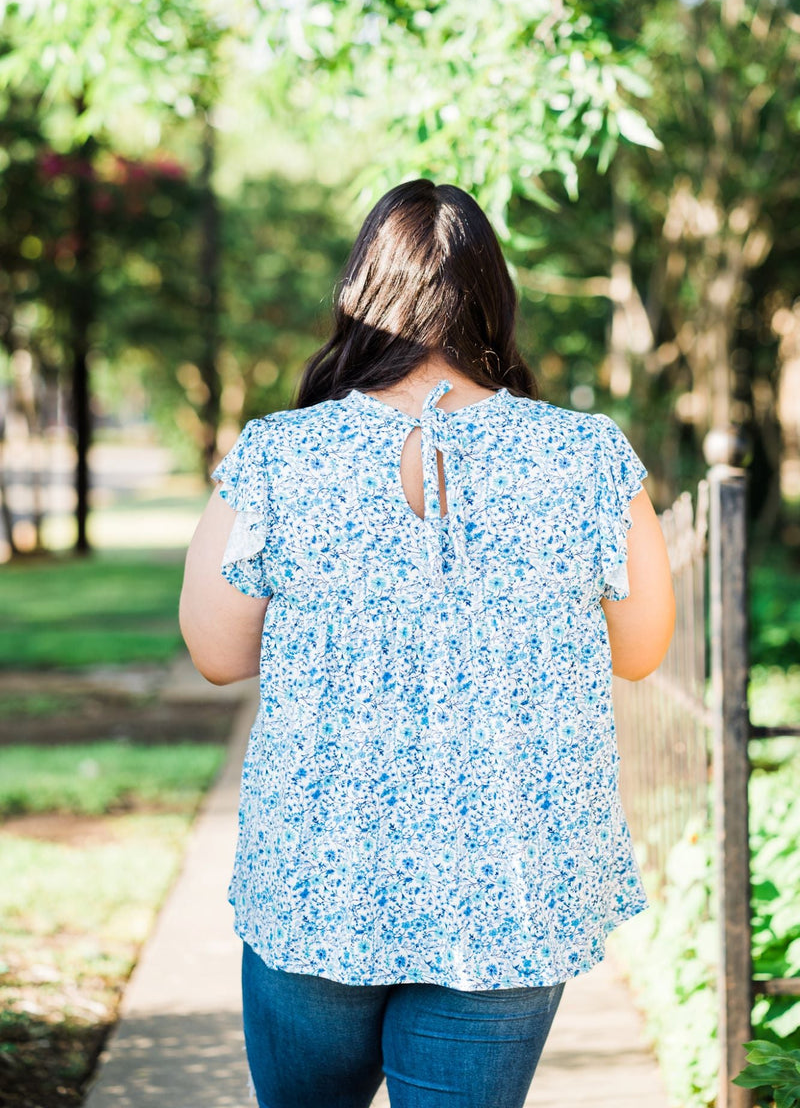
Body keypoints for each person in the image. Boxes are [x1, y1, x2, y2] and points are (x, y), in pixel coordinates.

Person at [179, 179, 676, 1108]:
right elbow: (642, 650)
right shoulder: (586, 456)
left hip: (319, 874)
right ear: (495, 297)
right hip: (510, 884)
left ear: (362, 295)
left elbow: (217, 651)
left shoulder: (281, 457)